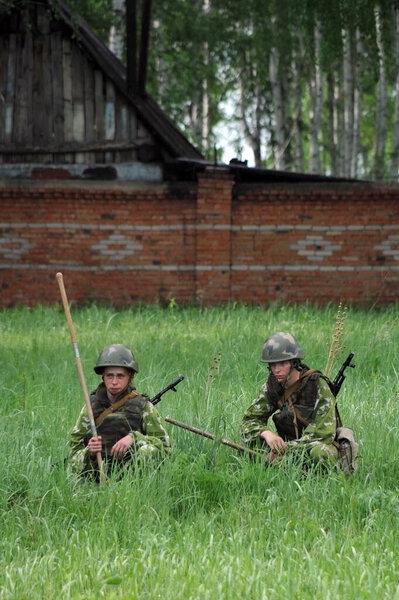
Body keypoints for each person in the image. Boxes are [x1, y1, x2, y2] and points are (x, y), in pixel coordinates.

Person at [68, 344, 171, 479]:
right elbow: (73, 454)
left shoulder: (143, 407)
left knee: (148, 451)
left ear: (129, 376)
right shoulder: (90, 407)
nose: (114, 382)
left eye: (120, 376)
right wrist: (90, 452)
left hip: (132, 472)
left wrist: (134, 438)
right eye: (109, 376)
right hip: (97, 473)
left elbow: (164, 447)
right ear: (103, 376)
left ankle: (135, 488)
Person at [241, 332, 339, 466]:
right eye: (272, 364)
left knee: (322, 454)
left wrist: (285, 449)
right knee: (249, 445)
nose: (276, 370)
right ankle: (281, 465)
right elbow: (249, 420)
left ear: (294, 362)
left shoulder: (317, 385)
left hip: (313, 445)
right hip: (286, 444)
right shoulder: (272, 386)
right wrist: (266, 433)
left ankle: (287, 465)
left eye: (281, 363)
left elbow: (323, 434)